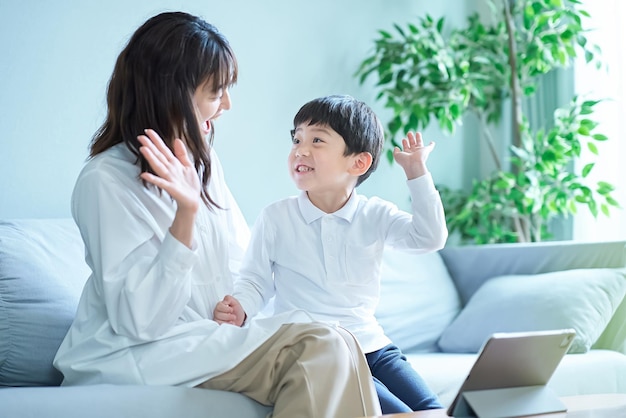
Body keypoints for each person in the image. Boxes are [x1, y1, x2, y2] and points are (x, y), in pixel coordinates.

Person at [53, 13, 382, 418]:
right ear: (172, 92)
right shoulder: (105, 180)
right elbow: (140, 321)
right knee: (322, 346)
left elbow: (241, 265)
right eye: (216, 91)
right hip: (132, 352)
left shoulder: (204, 162)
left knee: (337, 338)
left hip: (202, 339)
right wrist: (186, 213)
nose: (227, 104)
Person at [214, 95, 448, 413]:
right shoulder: (276, 217)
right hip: (322, 352)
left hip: (374, 345)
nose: (301, 149)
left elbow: (429, 237)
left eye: (317, 140)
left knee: (433, 411)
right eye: (297, 139)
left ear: (358, 163)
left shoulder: (374, 214)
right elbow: (255, 280)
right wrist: (241, 307)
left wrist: (417, 174)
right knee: (400, 415)